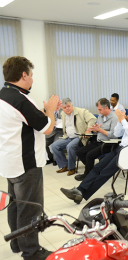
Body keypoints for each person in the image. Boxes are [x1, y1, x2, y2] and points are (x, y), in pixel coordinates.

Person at [0, 56, 60, 259]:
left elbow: (27, 121)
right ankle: (31, 251)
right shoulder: (20, 99)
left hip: (9, 161)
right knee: (30, 208)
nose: (33, 79)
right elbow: (48, 128)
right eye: (31, 75)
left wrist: (45, 114)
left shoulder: (4, 95)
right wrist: (51, 111)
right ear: (23, 75)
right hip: (26, 163)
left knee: (16, 205)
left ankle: (17, 244)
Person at [60, 103, 128, 204]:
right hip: (121, 148)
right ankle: (79, 190)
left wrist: (123, 119)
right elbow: (117, 133)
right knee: (97, 167)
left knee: (105, 172)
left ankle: (82, 195)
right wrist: (120, 121)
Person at [74, 98, 119, 181]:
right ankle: (94, 171)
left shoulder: (114, 118)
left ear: (106, 108)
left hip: (109, 143)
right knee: (79, 152)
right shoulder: (101, 117)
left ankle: (88, 175)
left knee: (89, 155)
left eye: (100, 109)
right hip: (99, 141)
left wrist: (99, 130)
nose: (99, 112)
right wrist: (94, 129)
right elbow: (98, 130)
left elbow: (114, 135)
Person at [51, 98, 97, 176]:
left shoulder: (81, 111)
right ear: (62, 108)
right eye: (64, 108)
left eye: (68, 106)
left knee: (70, 146)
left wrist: (88, 130)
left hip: (79, 137)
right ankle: (64, 165)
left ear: (72, 105)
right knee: (54, 146)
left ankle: (72, 168)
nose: (67, 109)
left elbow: (93, 119)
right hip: (68, 137)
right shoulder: (62, 114)